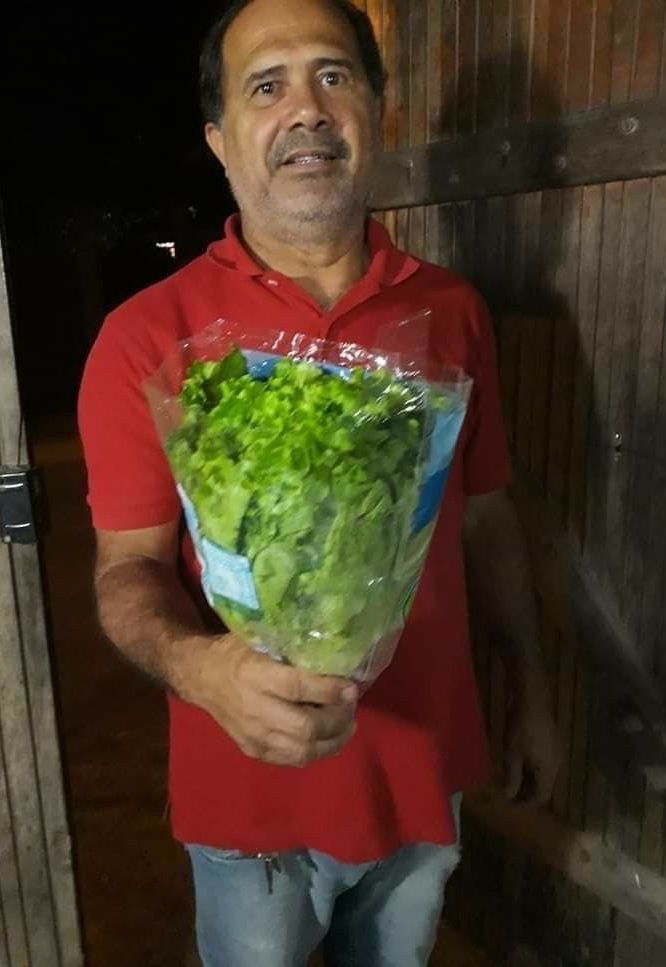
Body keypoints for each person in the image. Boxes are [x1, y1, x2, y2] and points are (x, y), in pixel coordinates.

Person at [78, 1, 560, 964]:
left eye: (334, 76)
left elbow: (487, 520)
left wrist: (533, 691)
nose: (306, 107)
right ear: (219, 138)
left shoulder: (451, 312)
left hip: (425, 778)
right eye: (267, 85)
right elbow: (126, 570)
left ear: (376, 111)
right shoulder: (145, 338)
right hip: (250, 809)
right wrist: (197, 666)